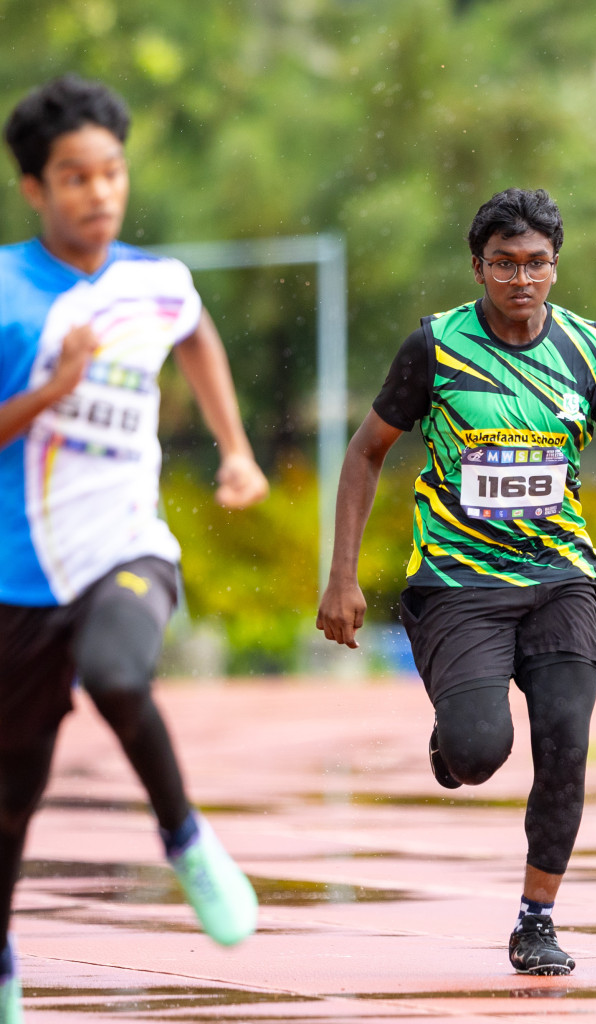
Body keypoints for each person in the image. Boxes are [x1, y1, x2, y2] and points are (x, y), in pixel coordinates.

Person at [316, 187, 596, 977]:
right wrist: (341, 576)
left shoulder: (591, 350)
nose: (521, 279)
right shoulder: (435, 348)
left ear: (555, 267)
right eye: (504, 263)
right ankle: (455, 744)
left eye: (536, 263)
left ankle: (537, 919)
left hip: (560, 577)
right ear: (478, 267)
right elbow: (367, 452)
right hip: (457, 583)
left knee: (565, 746)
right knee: (479, 752)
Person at [0, 76, 270, 1022]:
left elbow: (196, 337)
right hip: (17, 577)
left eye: (112, 172)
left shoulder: (159, 284)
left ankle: (186, 838)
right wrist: (48, 392)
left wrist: (235, 449)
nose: (100, 193)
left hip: (126, 545)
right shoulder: (4, 289)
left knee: (120, 674)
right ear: (35, 188)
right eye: (75, 177)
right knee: (12, 792)